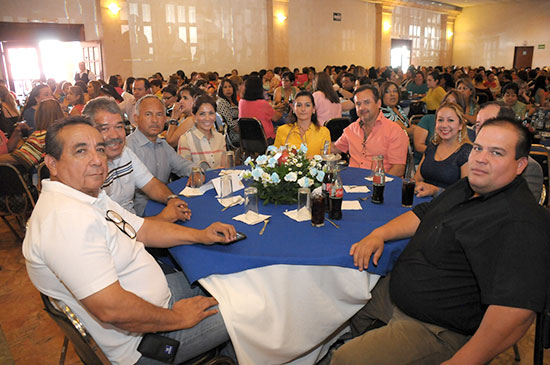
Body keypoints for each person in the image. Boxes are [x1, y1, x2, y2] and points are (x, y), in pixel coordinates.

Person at [332, 117, 550, 365]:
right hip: (397, 296)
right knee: (336, 303)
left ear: (520, 164)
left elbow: (515, 313)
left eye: (496, 153)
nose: (480, 158)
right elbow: (424, 214)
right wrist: (378, 234)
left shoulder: (521, 222)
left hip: (436, 329)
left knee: (346, 358)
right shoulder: (469, 185)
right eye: (478, 148)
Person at [23, 117, 236, 364]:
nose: (97, 159)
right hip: (142, 343)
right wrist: (178, 319)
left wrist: (201, 235)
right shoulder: (65, 220)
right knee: (249, 310)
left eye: (99, 149)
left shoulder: (87, 197)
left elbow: (143, 230)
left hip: (156, 303)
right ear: (53, 164)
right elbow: (112, 309)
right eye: (81, 151)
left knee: (229, 277)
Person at [82, 97, 191, 222]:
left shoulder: (125, 153)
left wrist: (171, 198)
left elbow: (151, 184)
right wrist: (163, 218)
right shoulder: (87, 171)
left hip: (133, 224)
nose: (115, 135)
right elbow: (111, 230)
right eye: (105, 129)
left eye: (119, 127)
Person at [127, 95, 196, 215]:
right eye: (148, 114)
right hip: (140, 215)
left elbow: (183, 166)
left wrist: (196, 171)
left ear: (165, 119)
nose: (155, 120)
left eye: (159, 115)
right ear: (136, 118)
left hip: (164, 204)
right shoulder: (127, 148)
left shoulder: (163, 146)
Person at [332, 85, 409, 176]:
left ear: (378, 103)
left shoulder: (394, 131)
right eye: (358, 104)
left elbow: (398, 169)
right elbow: (335, 148)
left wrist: (377, 184)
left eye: (367, 102)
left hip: (381, 185)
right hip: (352, 183)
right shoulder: (352, 129)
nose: (362, 108)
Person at [475, 101, 543, 201]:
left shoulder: (529, 168)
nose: (481, 130)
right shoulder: (472, 156)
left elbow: (524, 211)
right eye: (477, 125)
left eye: (488, 124)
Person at [414, 103, 472, 197]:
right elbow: (417, 178)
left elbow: (464, 193)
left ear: (460, 125)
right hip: (422, 200)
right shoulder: (432, 146)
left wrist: (435, 191)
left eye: (450, 120)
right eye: (440, 120)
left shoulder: (466, 152)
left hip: (449, 206)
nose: (444, 125)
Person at [0, 99, 64, 170]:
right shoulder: (67, 132)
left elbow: (20, 158)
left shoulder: (39, 136)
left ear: (39, 115)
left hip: (49, 177)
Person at [413, 89, 466, 165]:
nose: (449, 104)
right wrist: (440, 153)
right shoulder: (427, 119)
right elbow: (418, 146)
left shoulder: (465, 131)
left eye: (454, 103)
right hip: (424, 162)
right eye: (446, 101)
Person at [274, 91, 331, 158]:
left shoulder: (324, 132)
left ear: (313, 109)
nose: (303, 109)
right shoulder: (282, 130)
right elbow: (275, 157)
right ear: (293, 109)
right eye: (299, 105)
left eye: (307, 105)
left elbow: (325, 159)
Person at [178, 96, 227, 169]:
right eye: (202, 114)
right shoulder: (186, 140)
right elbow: (183, 171)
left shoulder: (220, 138)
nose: (207, 118)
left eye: (211, 113)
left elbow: (225, 169)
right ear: (194, 117)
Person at [238, 76, 282, 144]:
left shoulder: (241, 102)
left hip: (247, 140)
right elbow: (276, 118)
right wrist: (281, 111)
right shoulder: (262, 103)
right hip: (265, 139)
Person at [216, 78, 240, 149]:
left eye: (230, 86)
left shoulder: (234, 101)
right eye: (225, 87)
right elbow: (229, 123)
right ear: (221, 89)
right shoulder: (222, 102)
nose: (228, 89)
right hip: (232, 133)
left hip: (238, 128)